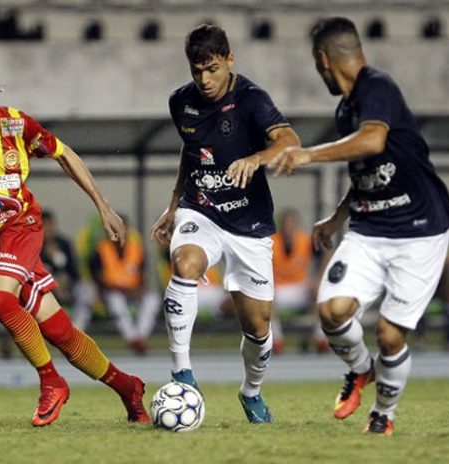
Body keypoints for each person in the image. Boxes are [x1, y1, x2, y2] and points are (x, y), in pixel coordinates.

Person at [0, 54, 149, 426]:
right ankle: (128, 387)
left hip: (22, 225)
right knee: (57, 329)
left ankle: (51, 382)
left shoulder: (15, 123)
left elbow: (65, 156)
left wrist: (103, 206)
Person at [269, 17, 449, 435]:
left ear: (323, 59)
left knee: (390, 334)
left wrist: (308, 155)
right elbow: (366, 168)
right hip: (371, 228)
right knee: (332, 311)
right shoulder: (346, 108)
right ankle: (359, 370)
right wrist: (338, 216)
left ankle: (383, 415)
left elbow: (373, 140)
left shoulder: (378, 86)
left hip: (420, 229)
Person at [150, 24, 300, 424]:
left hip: (249, 224)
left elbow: (290, 141)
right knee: (184, 264)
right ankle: (182, 373)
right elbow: (192, 151)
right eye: (196, 70)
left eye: (212, 69)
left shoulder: (251, 99)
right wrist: (172, 206)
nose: (204, 79)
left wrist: (256, 159)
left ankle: (251, 392)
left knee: (258, 326)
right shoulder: (180, 102)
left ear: (229, 60)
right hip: (200, 211)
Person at [89, 216, 160, 355]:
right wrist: (123, 289)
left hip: (133, 292)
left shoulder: (137, 249)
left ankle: (140, 336)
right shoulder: (100, 250)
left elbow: (143, 278)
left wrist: (139, 290)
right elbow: (99, 280)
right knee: (116, 302)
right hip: (111, 292)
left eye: (122, 227)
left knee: (152, 299)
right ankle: (133, 339)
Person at [270, 208, 318, 354]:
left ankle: (319, 336)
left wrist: (318, 277)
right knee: (267, 295)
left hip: (299, 286)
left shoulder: (305, 240)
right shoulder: (271, 242)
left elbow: (326, 254)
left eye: (292, 223)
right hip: (278, 289)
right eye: (286, 223)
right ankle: (276, 338)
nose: (288, 227)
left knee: (319, 291)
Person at [40, 210, 79, 310]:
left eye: (51, 225)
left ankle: (78, 322)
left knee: (85, 291)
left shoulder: (64, 244)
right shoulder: (35, 246)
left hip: (68, 283)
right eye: (45, 225)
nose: (49, 229)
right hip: (45, 285)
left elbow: (73, 270)